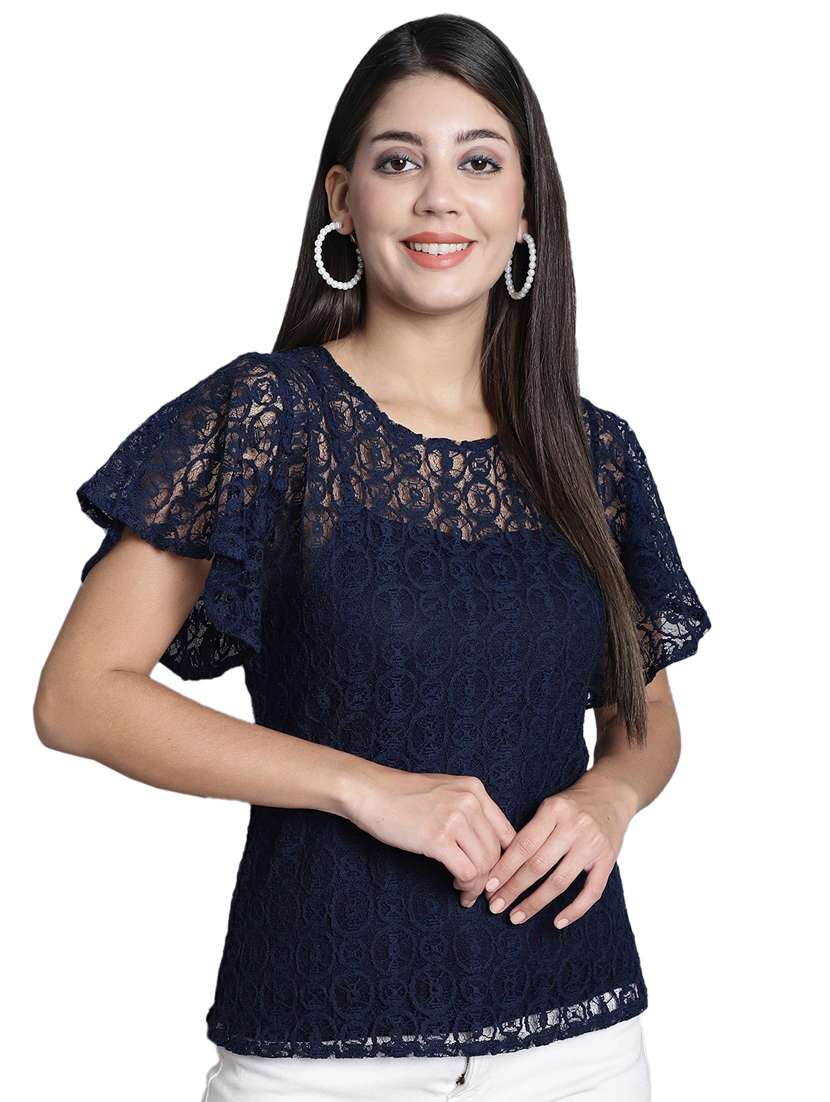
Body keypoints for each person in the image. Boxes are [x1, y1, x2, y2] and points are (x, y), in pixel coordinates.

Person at [35, 14, 712, 1102]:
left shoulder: (595, 453)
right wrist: (362, 788)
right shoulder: (268, 417)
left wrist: (612, 797)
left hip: (578, 1038)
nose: (439, 197)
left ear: (525, 207)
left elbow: (644, 709)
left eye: (478, 163)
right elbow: (78, 696)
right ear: (343, 200)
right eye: (400, 162)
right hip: (320, 1047)